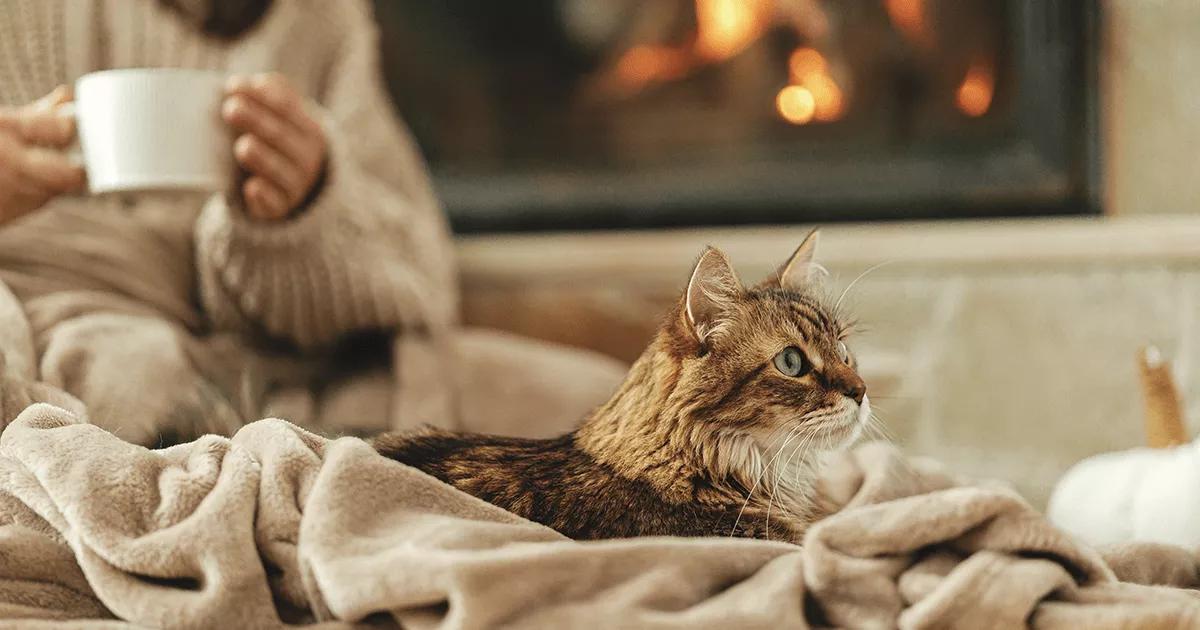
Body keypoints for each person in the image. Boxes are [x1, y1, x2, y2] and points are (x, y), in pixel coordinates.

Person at [0, 0, 626, 444]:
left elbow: (419, 271)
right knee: (138, 375)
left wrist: (305, 205)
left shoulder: (319, 19)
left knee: (606, 403)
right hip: (48, 332)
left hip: (272, 358)